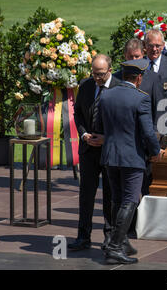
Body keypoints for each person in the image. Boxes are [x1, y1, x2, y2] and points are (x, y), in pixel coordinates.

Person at [97, 58, 164, 264]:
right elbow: (148, 131)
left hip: (110, 156)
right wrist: (155, 150)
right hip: (131, 157)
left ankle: (120, 240)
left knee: (117, 199)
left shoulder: (106, 96)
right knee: (131, 200)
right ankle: (115, 247)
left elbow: (100, 125)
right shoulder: (140, 98)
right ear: (140, 78)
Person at [113, 38, 166, 239]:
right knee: (124, 193)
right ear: (125, 57)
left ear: (143, 56)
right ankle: (126, 229)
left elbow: (160, 109)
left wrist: (155, 139)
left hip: (147, 141)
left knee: (145, 186)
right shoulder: (118, 79)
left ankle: (144, 225)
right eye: (131, 57)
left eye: (138, 57)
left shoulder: (152, 78)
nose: (135, 60)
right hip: (125, 143)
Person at [69, 54, 121, 251]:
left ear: (109, 70)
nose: (97, 78)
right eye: (94, 74)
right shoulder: (86, 86)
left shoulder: (119, 88)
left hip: (110, 149)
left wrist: (107, 138)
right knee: (86, 194)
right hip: (88, 148)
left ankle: (109, 236)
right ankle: (83, 236)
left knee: (110, 194)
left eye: (100, 74)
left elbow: (123, 120)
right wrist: (84, 135)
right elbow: (78, 114)